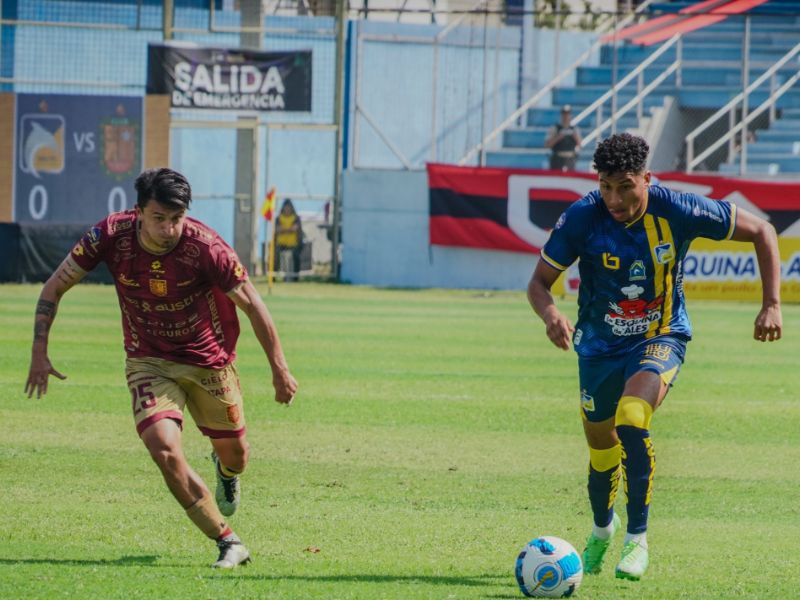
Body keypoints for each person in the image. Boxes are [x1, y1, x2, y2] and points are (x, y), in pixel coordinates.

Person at [527, 133, 782, 581]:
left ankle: (637, 541)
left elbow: (763, 230)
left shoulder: (677, 208)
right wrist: (550, 315)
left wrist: (772, 304)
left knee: (631, 418)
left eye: (625, 185)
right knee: (600, 445)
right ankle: (603, 531)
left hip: (660, 335)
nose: (614, 198)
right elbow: (538, 282)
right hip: (598, 347)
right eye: (606, 186)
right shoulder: (583, 217)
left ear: (647, 177)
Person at [25, 167, 298, 569]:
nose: (169, 229)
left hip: (208, 362)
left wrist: (279, 368)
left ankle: (226, 472)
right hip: (148, 361)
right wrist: (39, 352)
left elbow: (254, 304)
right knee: (165, 450)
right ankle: (228, 541)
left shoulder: (206, 247)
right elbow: (54, 287)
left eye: (177, 218)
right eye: (159, 218)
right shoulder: (109, 236)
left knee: (237, 456)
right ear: (138, 212)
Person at [544, 105, 581, 171]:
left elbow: (580, 144)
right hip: (557, 159)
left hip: (570, 159)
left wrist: (575, 137)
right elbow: (547, 145)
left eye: (567, 114)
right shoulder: (554, 129)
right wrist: (558, 137)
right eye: (564, 114)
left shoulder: (575, 129)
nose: (566, 116)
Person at [275, 199, 303, 282]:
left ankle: (295, 278)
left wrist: (284, 229)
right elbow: (278, 229)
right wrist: (289, 229)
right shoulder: (279, 218)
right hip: (281, 245)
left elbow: (296, 229)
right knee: (276, 258)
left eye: (289, 207)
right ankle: (275, 277)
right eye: (285, 207)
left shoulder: (296, 218)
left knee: (295, 258)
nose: (287, 209)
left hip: (293, 245)